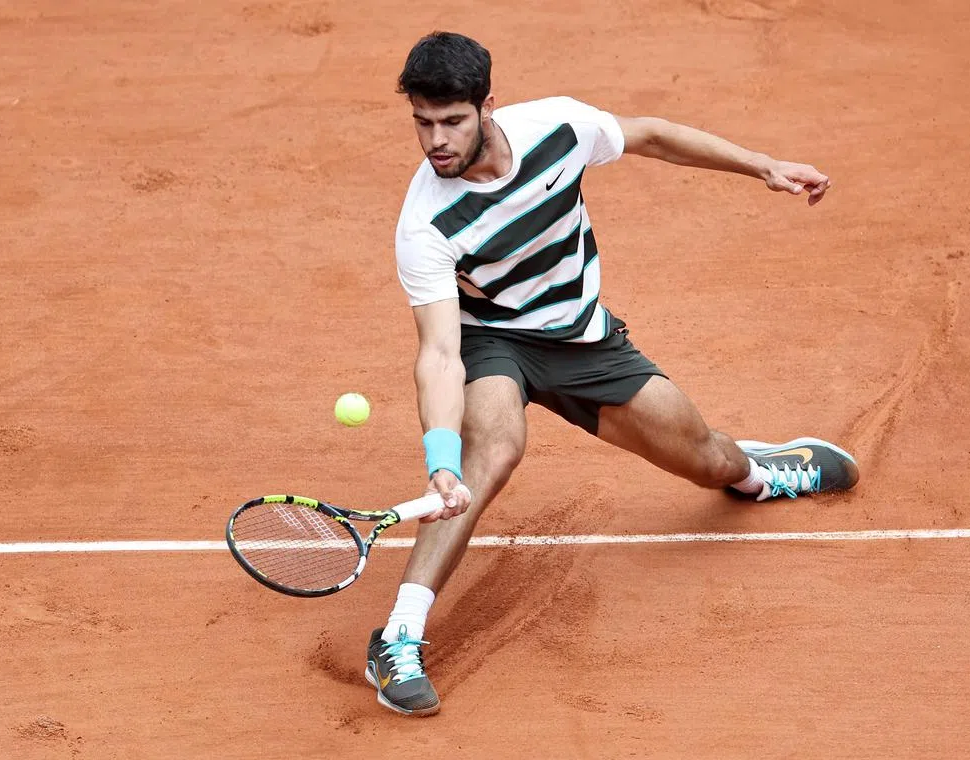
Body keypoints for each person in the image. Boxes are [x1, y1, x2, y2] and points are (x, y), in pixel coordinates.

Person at [364, 31, 860, 717]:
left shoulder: (558, 127)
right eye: (423, 123)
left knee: (708, 458)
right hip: (492, 342)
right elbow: (441, 353)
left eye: (451, 121)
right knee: (492, 450)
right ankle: (399, 637)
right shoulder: (426, 222)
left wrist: (762, 164)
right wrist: (441, 460)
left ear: (487, 107)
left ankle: (757, 473)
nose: (436, 140)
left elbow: (651, 135)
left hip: (581, 340)